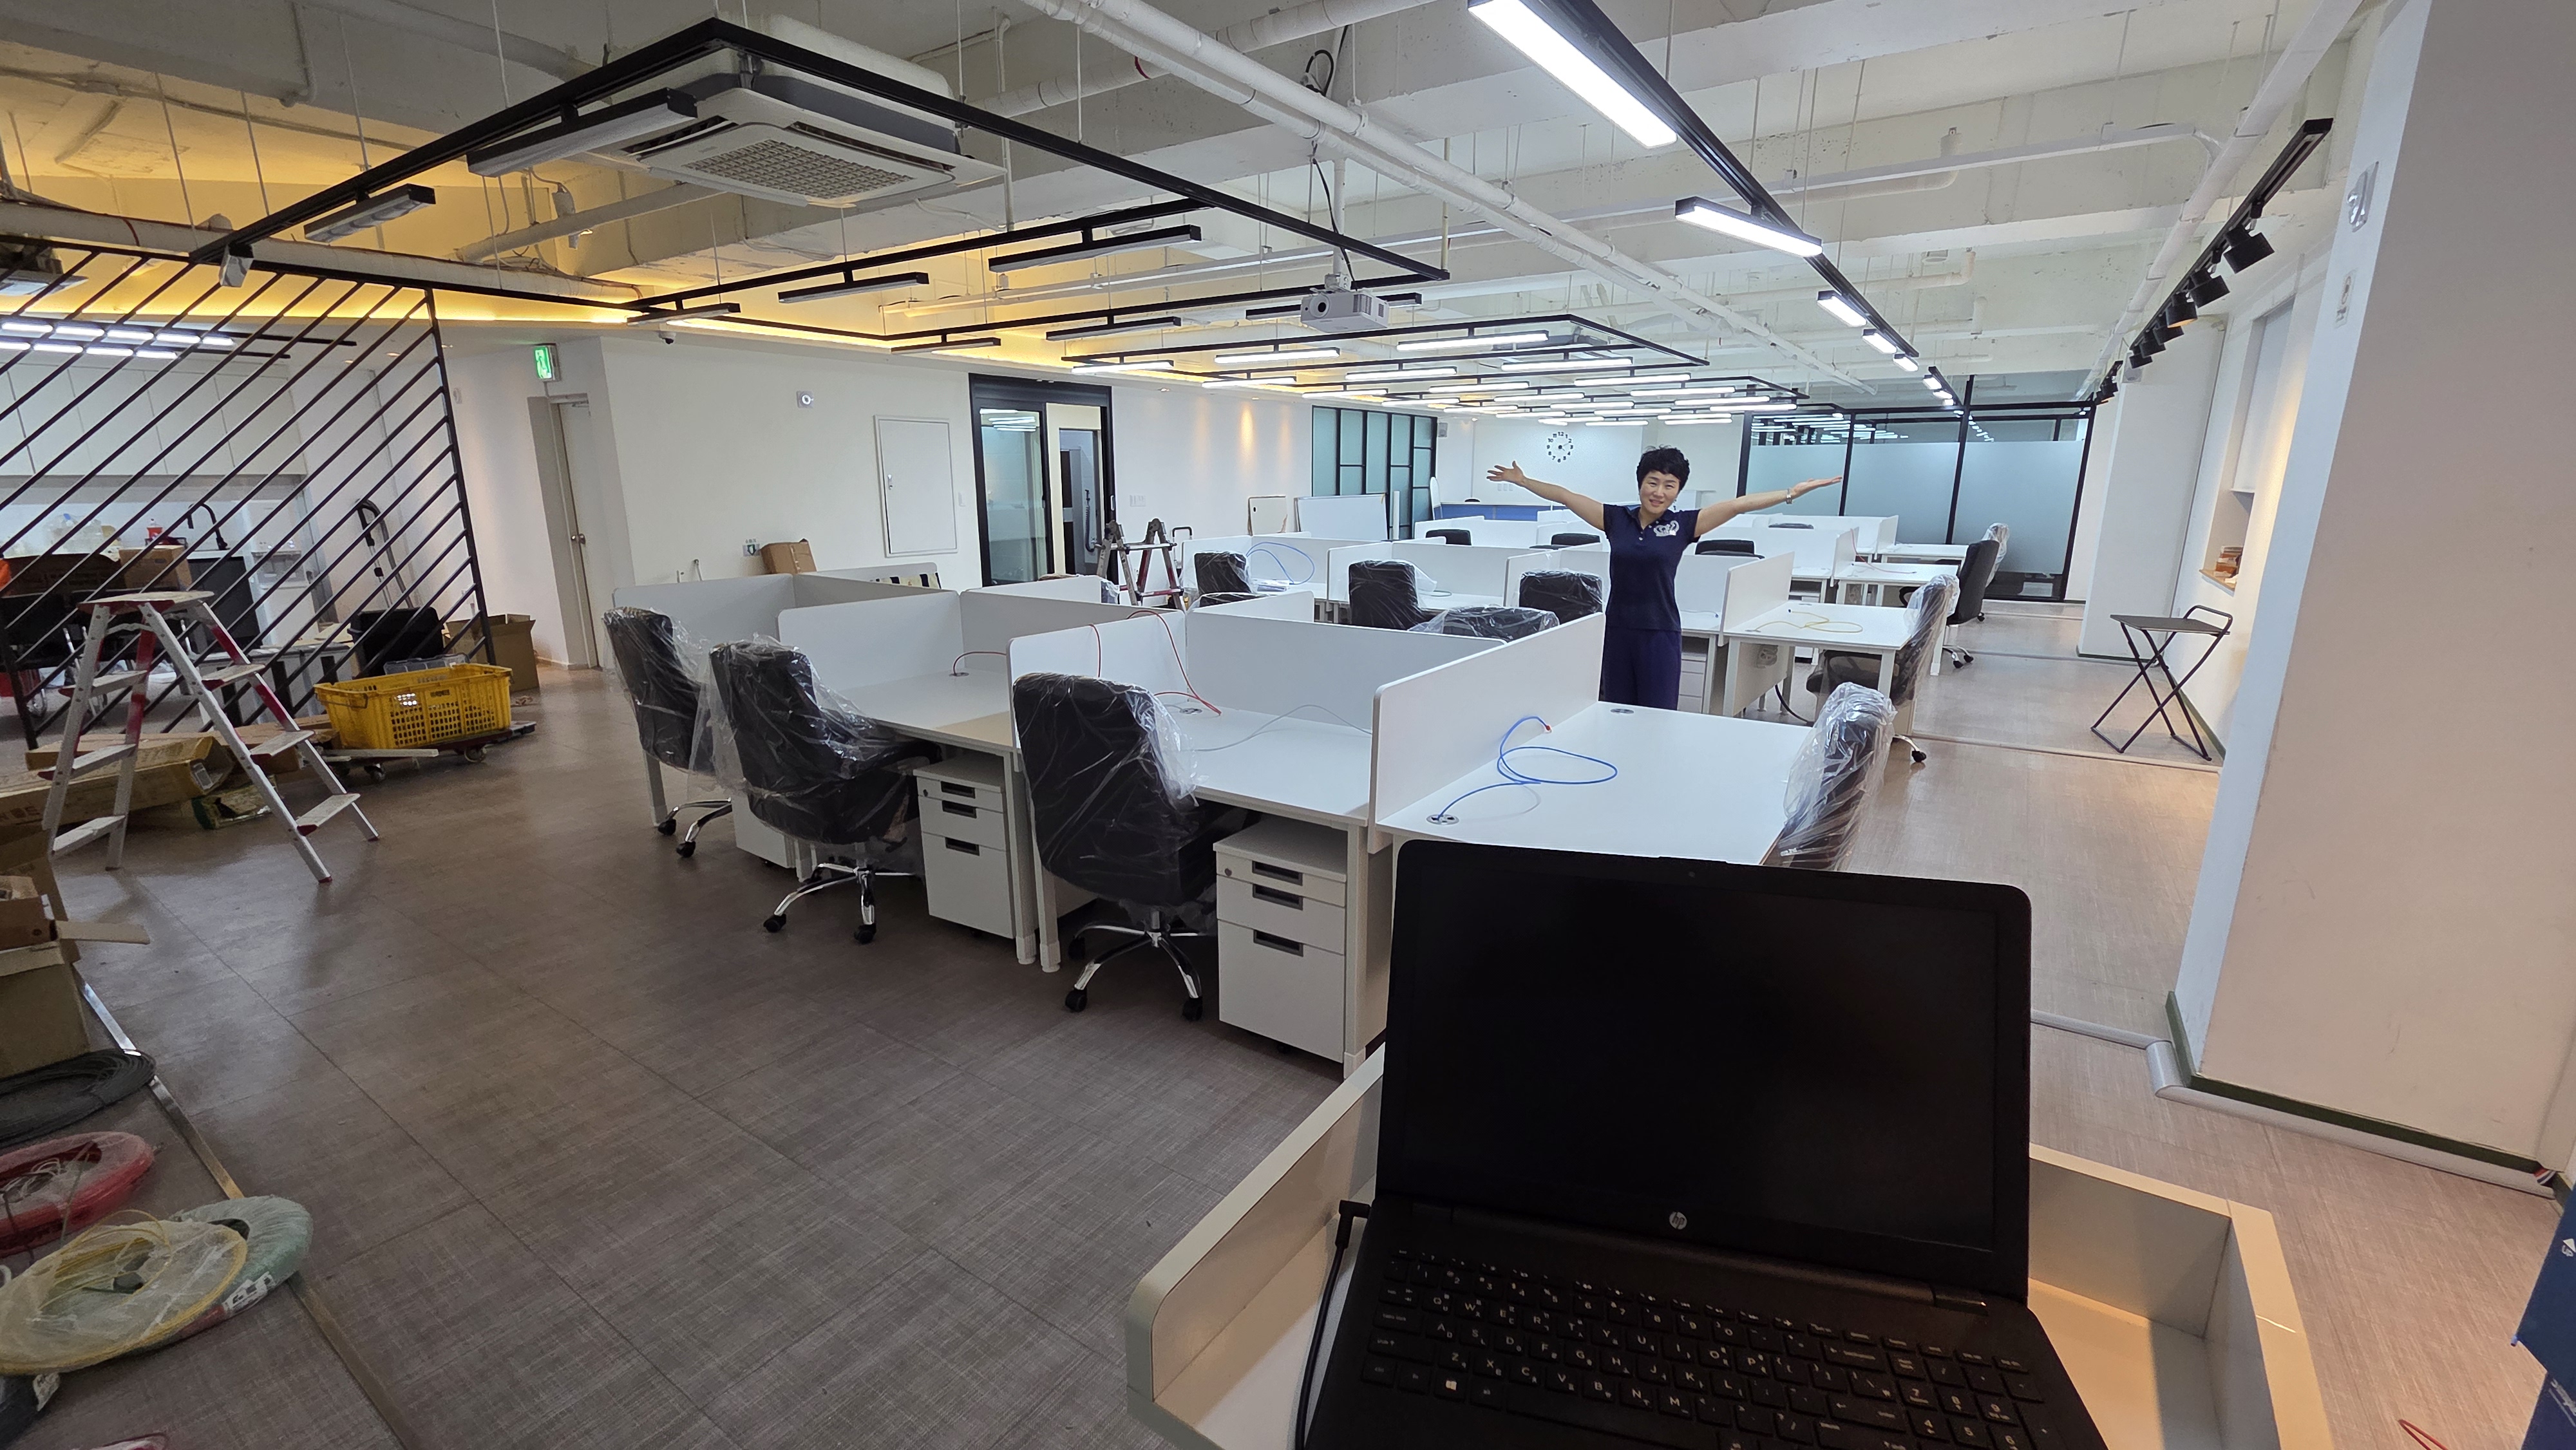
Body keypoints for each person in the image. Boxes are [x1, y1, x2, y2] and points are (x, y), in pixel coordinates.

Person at [1486, 447, 1839, 710]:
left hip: (1660, 632)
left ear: (1678, 491)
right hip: (1617, 630)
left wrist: (1790, 493)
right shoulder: (1616, 520)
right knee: (1617, 710)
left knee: (1658, 714)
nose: (1659, 492)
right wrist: (1524, 481)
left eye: (1670, 486)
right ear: (1640, 484)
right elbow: (1565, 495)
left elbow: (1737, 505)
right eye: (1652, 482)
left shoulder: (1683, 525)